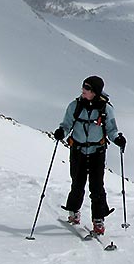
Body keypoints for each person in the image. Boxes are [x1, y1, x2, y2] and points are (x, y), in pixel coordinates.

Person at [54, 76, 126, 235]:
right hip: (77, 150)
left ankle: (98, 219)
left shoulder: (106, 109)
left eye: (87, 88)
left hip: (97, 152)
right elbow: (66, 124)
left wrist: (118, 139)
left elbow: (111, 129)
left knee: (97, 186)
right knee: (77, 183)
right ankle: (73, 211)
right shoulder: (75, 106)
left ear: (95, 91)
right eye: (83, 87)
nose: (83, 90)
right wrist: (61, 132)